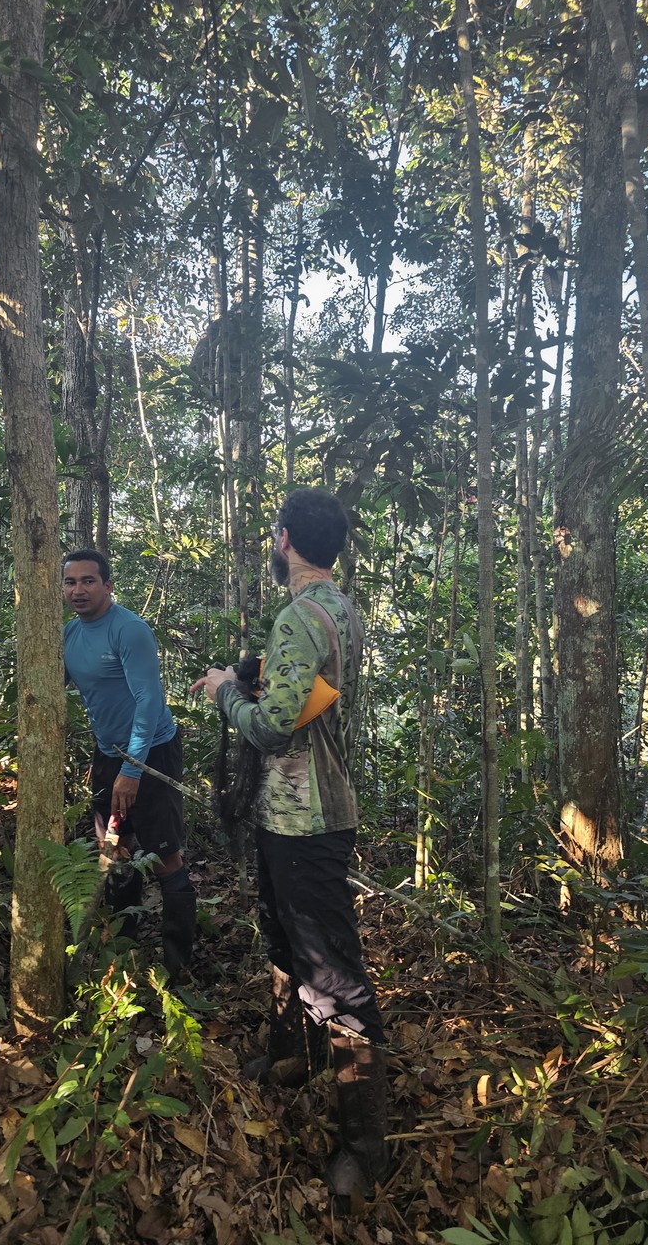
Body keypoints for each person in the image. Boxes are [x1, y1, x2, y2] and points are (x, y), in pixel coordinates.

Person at [191, 488, 390, 1199]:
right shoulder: (338, 607)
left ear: (283, 540)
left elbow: (274, 726)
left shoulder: (299, 615)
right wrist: (256, 669)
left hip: (307, 821)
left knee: (333, 975)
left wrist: (223, 691)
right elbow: (304, 690)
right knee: (280, 936)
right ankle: (289, 1054)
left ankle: (364, 1146)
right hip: (292, 816)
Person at [62, 549, 196, 979]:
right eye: (70, 582)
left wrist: (133, 770)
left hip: (152, 751)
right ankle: (124, 951)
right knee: (115, 850)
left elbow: (149, 700)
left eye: (88, 581)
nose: (78, 590)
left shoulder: (130, 630)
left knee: (164, 856)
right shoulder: (69, 634)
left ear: (107, 586)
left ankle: (179, 968)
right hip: (107, 752)